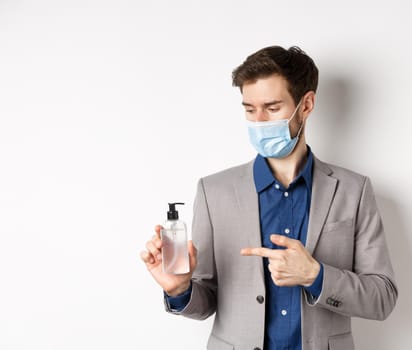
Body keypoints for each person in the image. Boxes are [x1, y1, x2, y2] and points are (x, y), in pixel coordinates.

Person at [140, 45, 398, 350]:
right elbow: (206, 299)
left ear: (306, 105)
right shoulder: (214, 191)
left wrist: (315, 275)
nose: (260, 121)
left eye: (272, 108)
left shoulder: (354, 190)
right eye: (250, 109)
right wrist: (180, 289)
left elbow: (382, 298)